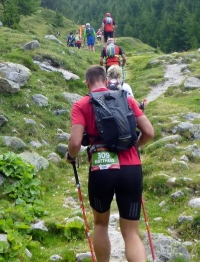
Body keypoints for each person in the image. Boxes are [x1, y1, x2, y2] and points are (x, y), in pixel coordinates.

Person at [66, 65, 154, 262]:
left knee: (100, 225)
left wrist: (71, 156)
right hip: (131, 168)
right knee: (131, 232)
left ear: (87, 83)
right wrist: (134, 146)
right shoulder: (126, 98)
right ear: (106, 81)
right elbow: (149, 132)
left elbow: (75, 143)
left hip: (101, 169)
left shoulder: (81, 104)